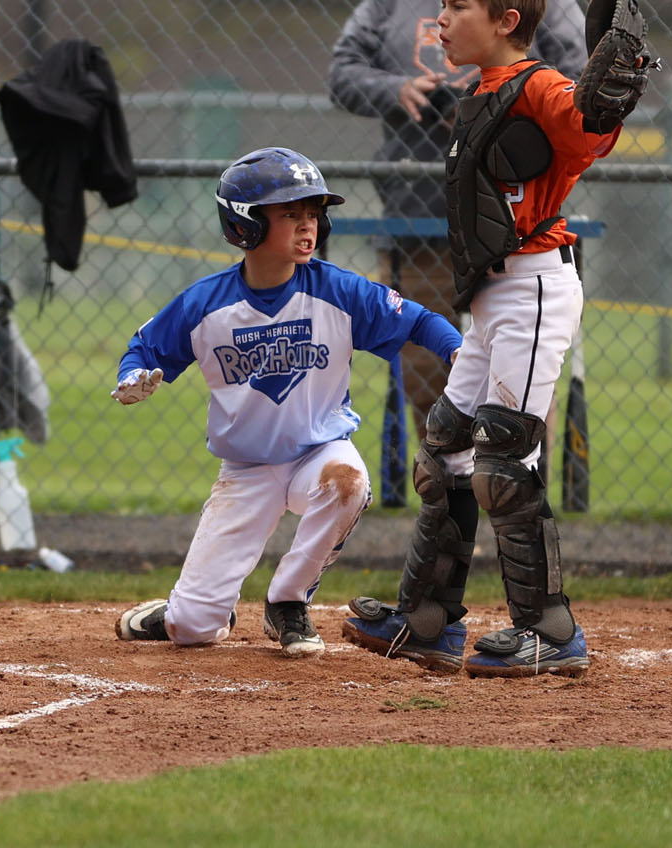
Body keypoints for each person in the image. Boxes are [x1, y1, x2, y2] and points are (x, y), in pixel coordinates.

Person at [342, 0, 644, 678]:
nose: (440, 20)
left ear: (507, 20)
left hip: (535, 289)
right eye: (441, 5)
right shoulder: (483, 89)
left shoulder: (536, 85)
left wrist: (606, 96)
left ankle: (549, 630)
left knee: (504, 460)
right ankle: (428, 619)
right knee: (444, 449)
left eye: (457, 8)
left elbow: (587, 129)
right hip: (492, 297)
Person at [110, 147, 462, 658]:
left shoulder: (337, 292)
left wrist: (458, 352)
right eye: (290, 214)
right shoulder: (206, 305)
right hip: (247, 469)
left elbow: (420, 320)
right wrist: (133, 375)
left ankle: (287, 601)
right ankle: (187, 611)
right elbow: (144, 348)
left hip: (316, 453)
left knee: (349, 481)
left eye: (313, 213)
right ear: (245, 226)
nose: (308, 226)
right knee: (193, 631)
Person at [326, 0, 586, 447]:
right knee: (429, 370)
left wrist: (498, 88)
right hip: (421, 205)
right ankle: (450, 504)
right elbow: (342, 70)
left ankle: (518, 500)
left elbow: (579, 75)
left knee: (519, 382)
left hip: (517, 215)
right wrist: (396, 90)